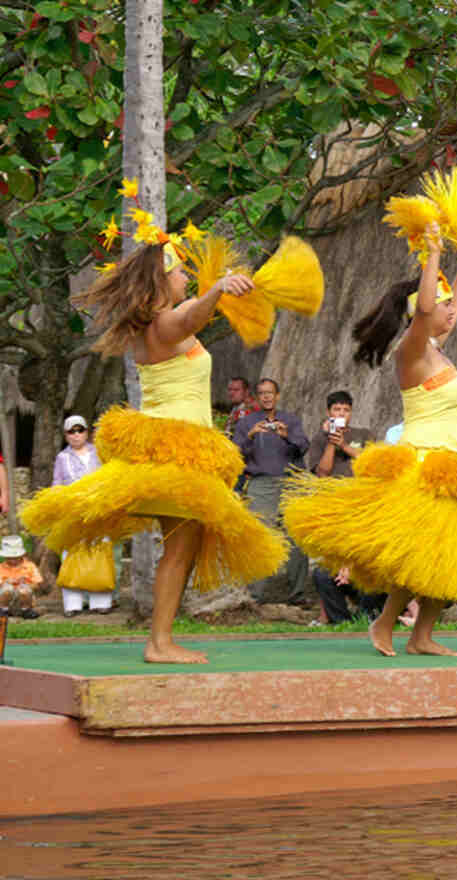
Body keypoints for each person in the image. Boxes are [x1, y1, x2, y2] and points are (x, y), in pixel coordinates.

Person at [21, 239, 284, 663]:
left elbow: (194, 314)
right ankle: (159, 643)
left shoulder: (160, 325)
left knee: (186, 545)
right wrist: (216, 289)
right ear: (163, 278)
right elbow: (194, 313)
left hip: (180, 446)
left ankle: (163, 639)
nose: (185, 278)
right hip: (176, 449)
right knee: (179, 548)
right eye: (181, 272)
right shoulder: (166, 323)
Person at [282, 229, 457, 656]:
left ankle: (422, 636)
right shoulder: (411, 350)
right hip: (422, 468)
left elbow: (455, 306)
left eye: (451, 304)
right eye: (442, 303)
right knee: (421, 557)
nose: (451, 311)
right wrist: (432, 254)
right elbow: (428, 309)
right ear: (421, 310)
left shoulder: (438, 349)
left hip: (454, 469)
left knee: (448, 557)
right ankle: (383, 623)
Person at [304, 390, 383, 625]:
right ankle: (342, 622)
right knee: (323, 572)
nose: (341, 414)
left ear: (351, 412)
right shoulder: (320, 438)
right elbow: (322, 472)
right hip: (334, 507)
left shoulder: (363, 433)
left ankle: (371, 617)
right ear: (329, 413)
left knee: (370, 567)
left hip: (363, 506)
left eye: (345, 410)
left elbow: (373, 464)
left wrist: (345, 446)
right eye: (336, 410)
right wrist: (331, 443)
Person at [235, 377, 310, 604]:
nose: (267, 397)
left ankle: (297, 595)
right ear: (257, 397)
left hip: (290, 482)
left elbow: (303, 447)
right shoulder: (247, 423)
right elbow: (235, 455)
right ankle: (254, 596)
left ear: (277, 396)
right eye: (262, 393)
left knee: (295, 537)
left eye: (270, 393)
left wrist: (286, 436)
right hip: (261, 484)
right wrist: (250, 437)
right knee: (261, 537)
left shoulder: (290, 420)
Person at [51, 415, 112, 616]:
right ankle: (72, 604)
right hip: (72, 512)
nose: (76, 435)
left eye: (80, 430)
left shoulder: (100, 453)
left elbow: (110, 478)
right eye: (71, 431)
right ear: (66, 435)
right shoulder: (62, 457)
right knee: (71, 554)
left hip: (98, 510)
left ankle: (101, 601)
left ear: (86, 432)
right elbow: (57, 484)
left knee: (100, 551)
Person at [0, 534, 42, 618]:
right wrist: (6, 582)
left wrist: (26, 583)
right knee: (7, 589)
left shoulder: (30, 566)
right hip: (6, 598)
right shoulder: (1, 567)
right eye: (9, 558)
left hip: (24, 599)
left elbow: (37, 584)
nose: (12, 561)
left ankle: (26, 610)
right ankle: (3, 610)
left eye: (15, 557)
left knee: (23, 590)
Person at [224, 377, 257, 441]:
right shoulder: (238, 406)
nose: (231, 393)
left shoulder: (251, 408)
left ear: (247, 391)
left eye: (236, 390)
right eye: (229, 389)